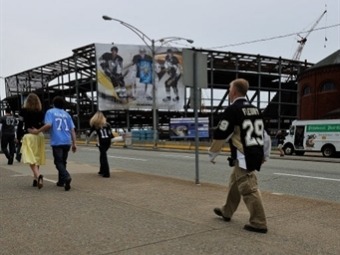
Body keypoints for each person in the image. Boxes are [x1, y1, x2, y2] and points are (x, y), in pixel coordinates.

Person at [208, 78, 271, 234]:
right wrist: (265, 155)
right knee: (234, 183)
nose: (229, 92)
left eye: (230, 89)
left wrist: (212, 153)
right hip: (255, 152)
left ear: (234, 91)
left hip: (244, 155)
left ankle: (259, 222)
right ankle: (227, 211)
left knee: (248, 187)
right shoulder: (255, 109)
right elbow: (265, 135)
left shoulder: (233, 110)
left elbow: (221, 133)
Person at [29, 96, 77, 191]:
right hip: (67, 141)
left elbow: (48, 125)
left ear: (53, 104)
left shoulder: (50, 112)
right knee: (63, 161)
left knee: (58, 162)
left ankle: (66, 176)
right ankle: (61, 181)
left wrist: (38, 131)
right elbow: (72, 130)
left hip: (57, 141)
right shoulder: (67, 115)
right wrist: (74, 143)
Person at [17, 93, 45, 188]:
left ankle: (38, 175)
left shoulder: (23, 111)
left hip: (29, 136)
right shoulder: (40, 111)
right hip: (39, 135)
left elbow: (20, 125)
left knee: (30, 157)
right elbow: (42, 124)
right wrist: (37, 130)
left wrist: (18, 136)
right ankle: (35, 180)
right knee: (36, 157)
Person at [88, 111, 113, 178]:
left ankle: (106, 173)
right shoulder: (107, 125)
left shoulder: (95, 125)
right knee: (102, 155)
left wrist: (88, 140)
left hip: (101, 142)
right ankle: (102, 170)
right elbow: (111, 134)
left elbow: (91, 134)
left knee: (103, 156)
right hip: (108, 141)